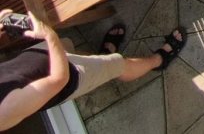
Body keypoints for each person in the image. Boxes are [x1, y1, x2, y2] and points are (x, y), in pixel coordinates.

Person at [0, 13, 186, 131]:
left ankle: (104, 54)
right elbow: (59, 78)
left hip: (38, 56)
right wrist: (50, 36)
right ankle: (159, 60)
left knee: (80, 52)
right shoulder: (5, 110)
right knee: (118, 65)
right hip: (71, 75)